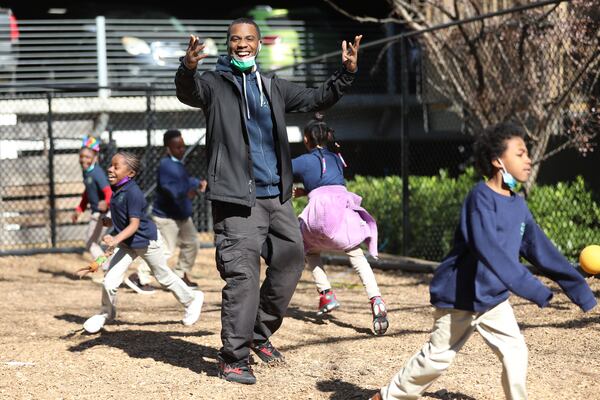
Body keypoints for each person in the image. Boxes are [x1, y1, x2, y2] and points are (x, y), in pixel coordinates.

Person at [175, 17, 362, 384]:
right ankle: (233, 357)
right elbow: (188, 92)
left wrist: (346, 72)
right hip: (236, 200)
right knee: (242, 277)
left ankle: (258, 336)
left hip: (277, 198)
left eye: (248, 39)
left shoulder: (272, 85)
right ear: (228, 45)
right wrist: (188, 66)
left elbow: (315, 97)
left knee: (291, 263)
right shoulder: (214, 84)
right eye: (235, 39)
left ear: (258, 44)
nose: (241, 44)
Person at [370, 122, 597, 400]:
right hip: (459, 298)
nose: (528, 160)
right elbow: (488, 248)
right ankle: (387, 396)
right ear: (497, 160)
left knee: (515, 353)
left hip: (493, 300)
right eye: (521, 153)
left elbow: (542, 250)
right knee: (437, 359)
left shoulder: (518, 205)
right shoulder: (479, 198)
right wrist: (533, 288)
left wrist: (579, 290)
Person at [82, 151, 204, 334]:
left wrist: (115, 238)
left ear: (130, 173)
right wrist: (109, 223)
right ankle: (106, 313)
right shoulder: (117, 190)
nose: (110, 169)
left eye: (116, 167)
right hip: (127, 244)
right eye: (111, 165)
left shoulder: (133, 193)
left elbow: (134, 224)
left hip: (146, 241)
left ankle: (192, 299)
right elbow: (122, 219)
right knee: (109, 281)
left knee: (163, 277)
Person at [292, 113, 388, 335]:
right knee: (357, 257)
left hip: (317, 219)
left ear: (306, 139)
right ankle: (376, 300)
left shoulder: (303, 161)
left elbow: (285, 171)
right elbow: (329, 183)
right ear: (327, 137)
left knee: (309, 250)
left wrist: (302, 190)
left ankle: (325, 293)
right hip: (341, 218)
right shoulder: (337, 158)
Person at [124, 130, 207, 294]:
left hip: (181, 215)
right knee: (165, 250)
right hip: (166, 217)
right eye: (177, 147)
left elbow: (185, 181)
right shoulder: (165, 165)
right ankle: (139, 277)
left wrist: (197, 183)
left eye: (183, 146)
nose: (181, 150)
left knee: (192, 243)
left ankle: (179, 274)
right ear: (168, 148)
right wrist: (188, 191)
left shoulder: (178, 164)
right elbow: (170, 189)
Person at [72, 136, 112, 260]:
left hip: (102, 214)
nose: (84, 160)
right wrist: (80, 209)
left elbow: (108, 191)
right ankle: (109, 269)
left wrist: (107, 202)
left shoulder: (96, 173)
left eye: (87, 157)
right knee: (97, 243)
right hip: (101, 214)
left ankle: (107, 268)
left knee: (91, 244)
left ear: (95, 157)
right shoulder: (87, 172)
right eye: (81, 156)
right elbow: (88, 192)